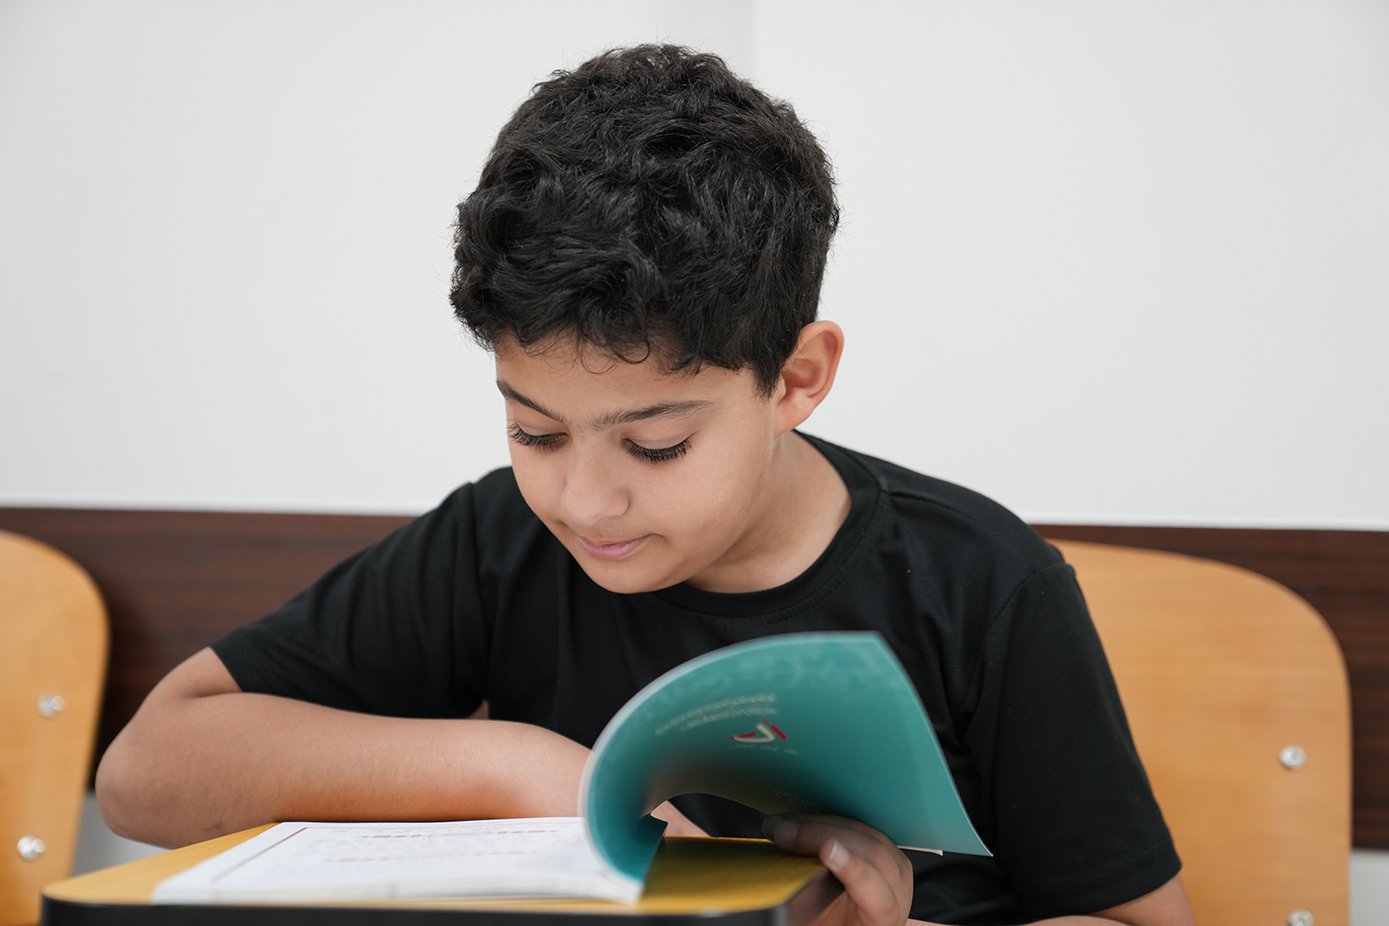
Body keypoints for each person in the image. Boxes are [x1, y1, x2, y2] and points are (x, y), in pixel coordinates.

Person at [96, 45, 1193, 926]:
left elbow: (1138, 915)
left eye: (656, 445)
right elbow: (147, 769)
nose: (584, 502)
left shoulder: (981, 582)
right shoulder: (500, 540)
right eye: (533, 430)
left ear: (795, 379)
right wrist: (525, 769)